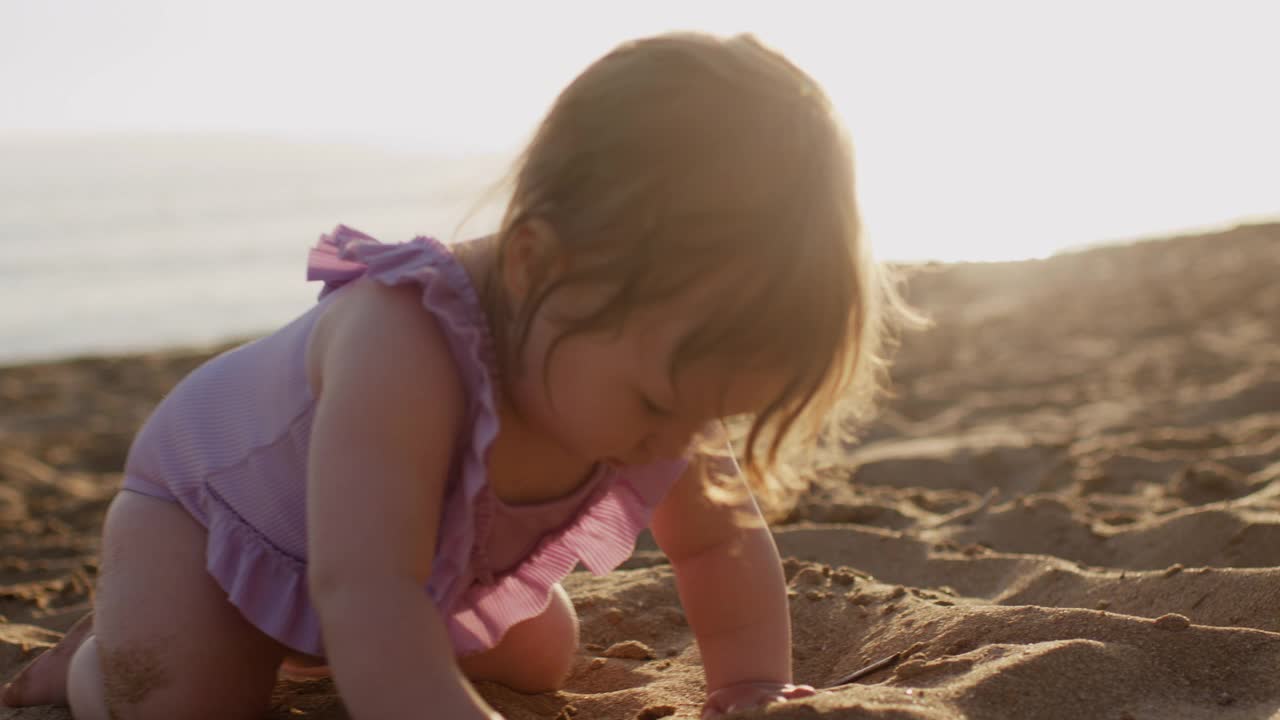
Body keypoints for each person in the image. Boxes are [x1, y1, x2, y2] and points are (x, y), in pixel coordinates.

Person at [1, 31, 907, 720]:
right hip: (209, 520)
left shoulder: (652, 359)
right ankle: (90, 660)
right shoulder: (403, 345)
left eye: (714, 412)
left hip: (400, 561)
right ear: (534, 263)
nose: (677, 445)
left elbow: (717, 544)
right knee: (185, 698)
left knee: (545, 654)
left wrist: (750, 685)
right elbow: (367, 593)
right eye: (662, 409)